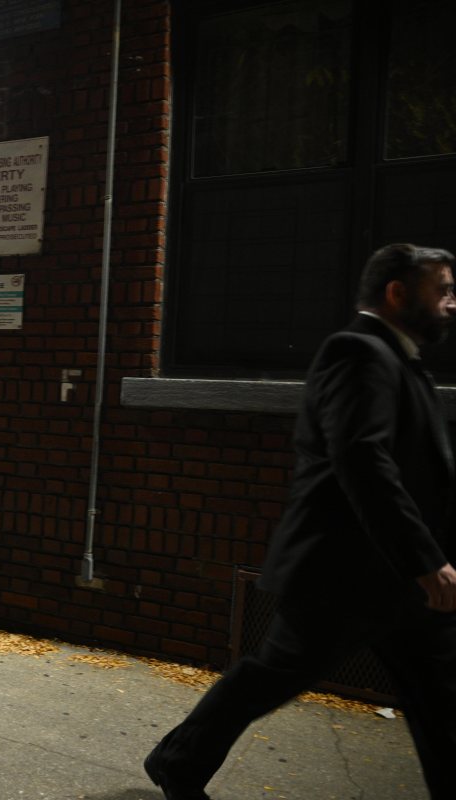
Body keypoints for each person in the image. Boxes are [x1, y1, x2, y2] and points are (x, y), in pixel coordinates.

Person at [144, 243, 456, 799]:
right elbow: (363, 460)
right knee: (269, 676)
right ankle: (178, 759)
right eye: (444, 290)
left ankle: (178, 760)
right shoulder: (357, 352)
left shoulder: (399, 360)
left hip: (397, 582)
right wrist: (425, 559)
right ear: (398, 293)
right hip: (344, 576)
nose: (452, 303)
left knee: (441, 700)